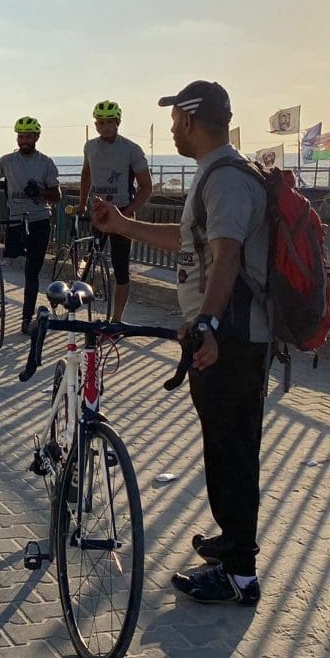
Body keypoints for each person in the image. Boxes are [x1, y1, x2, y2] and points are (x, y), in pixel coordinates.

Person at [91, 80, 269, 606]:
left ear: (191, 120)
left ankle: (240, 573)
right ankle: (231, 542)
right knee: (223, 444)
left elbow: (227, 256)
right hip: (222, 334)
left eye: (174, 119)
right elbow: (188, 243)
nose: (170, 127)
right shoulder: (214, 176)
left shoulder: (227, 180)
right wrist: (123, 225)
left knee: (233, 449)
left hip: (231, 337)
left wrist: (208, 324)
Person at [0, 116, 61, 333]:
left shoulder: (46, 163)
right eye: (21, 136)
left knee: (32, 273)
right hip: (15, 222)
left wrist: (40, 192)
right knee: (10, 253)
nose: (24, 140)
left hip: (40, 221)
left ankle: (26, 320)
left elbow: (57, 196)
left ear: (36, 137)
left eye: (28, 136)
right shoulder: (7, 161)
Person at [80, 100, 153, 320]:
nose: (104, 128)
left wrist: (129, 211)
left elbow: (146, 187)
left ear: (118, 122)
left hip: (122, 213)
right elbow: (86, 174)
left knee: (120, 269)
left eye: (109, 123)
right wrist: (83, 203)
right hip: (98, 213)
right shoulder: (90, 147)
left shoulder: (131, 149)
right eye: (100, 123)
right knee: (91, 259)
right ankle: (81, 306)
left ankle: (116, 319)